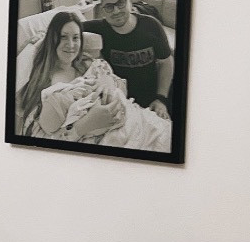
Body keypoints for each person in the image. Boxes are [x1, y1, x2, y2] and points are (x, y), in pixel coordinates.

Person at [16, 9, 170, 152]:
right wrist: (81, 127)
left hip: (133, 122)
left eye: (76, 38)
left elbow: (122, 91)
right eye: (63, 37)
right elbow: (39, 139)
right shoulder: (44, 83)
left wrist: (111, 83)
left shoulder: (87, 63)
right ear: (52, 39)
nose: (71, 45)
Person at [84, 0, 174, 121]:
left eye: (121, 3)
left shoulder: (151, 25)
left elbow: (166, 62)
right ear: (102, 10)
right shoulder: (99, 28)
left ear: (130, 2)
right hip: (123, 103)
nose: (116, 11)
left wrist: (161, 99)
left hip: (154, 99)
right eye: (109, 7)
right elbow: (69, 25)